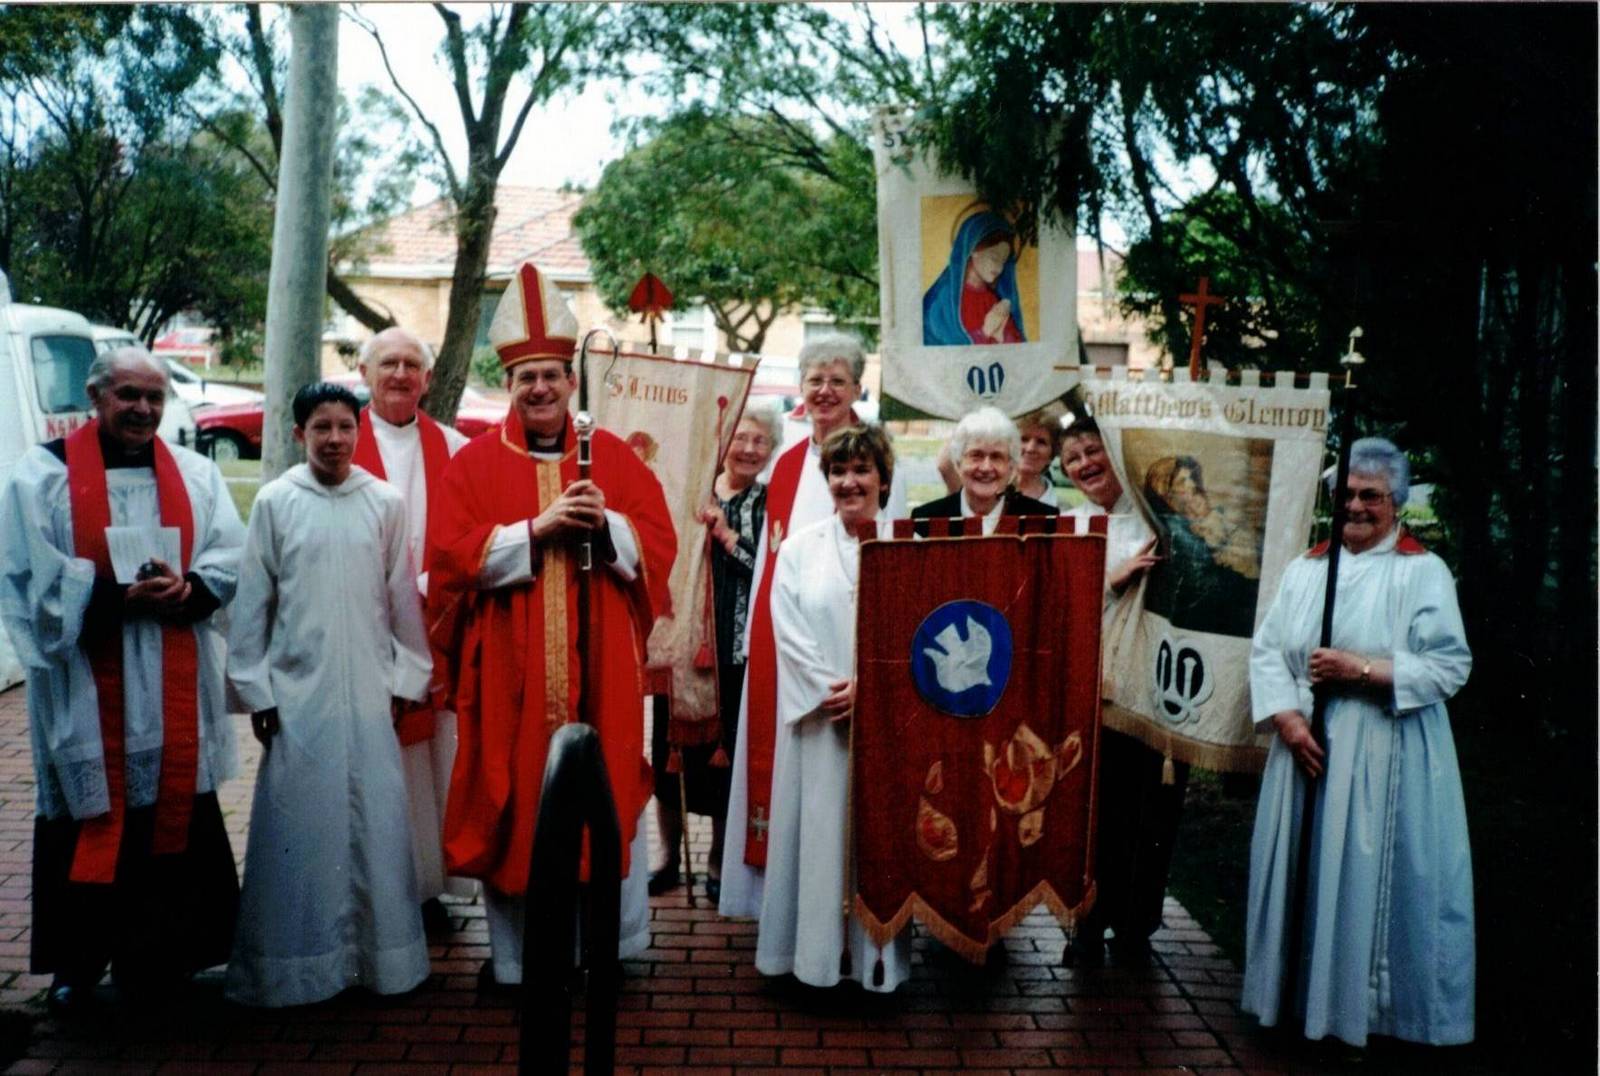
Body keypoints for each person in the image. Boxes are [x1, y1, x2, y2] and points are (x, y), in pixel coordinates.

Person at [426, 262, 676, 986]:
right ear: (508, 384)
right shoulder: (473, 465)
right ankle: (518, 963)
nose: (539, 388)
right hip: (510, 668)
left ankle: (607, 950)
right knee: (517, 800)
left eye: (552, 375)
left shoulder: (613, 457)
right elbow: (446, 555)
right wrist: (533, 531)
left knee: (599, 790)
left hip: (600, 664)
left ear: (572, 382)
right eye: (525, 376)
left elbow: (657, 544)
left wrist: (612, 527)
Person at [0, 348, 244, 1012]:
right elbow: (27, 579)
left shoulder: (194, 474)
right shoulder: (40, 477)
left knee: (173, 812)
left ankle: (165, 959)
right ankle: (76, 966)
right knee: (87, 814)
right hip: (87, 682)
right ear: (96, 395)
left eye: (154, 398)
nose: (142, 409)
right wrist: (111, 598)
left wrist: (188, 587)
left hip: (169, 676)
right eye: (128, 395)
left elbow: (229, 554)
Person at [1241, 438, 1474, 1047]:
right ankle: (1293, 1003)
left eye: (1370, 495)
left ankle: (1360, 1015)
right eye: (1344, 494)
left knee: (1364, 876)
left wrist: (1364, 672)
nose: (1356, 506)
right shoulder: (1306, 568)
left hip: (1383, 746)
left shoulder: (1422, 571)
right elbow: (1269, 651)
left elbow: (1449, 665)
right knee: (1305, 870)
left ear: (1395, 501)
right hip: (1304, 748)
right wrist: (1287, 719)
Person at [224, 382, 433, 1007]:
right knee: (300, 824)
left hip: (370, 690)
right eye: (322, 428)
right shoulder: (275, 502)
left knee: (377, 821)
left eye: (346, 426)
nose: (336, 439)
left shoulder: (385, 502)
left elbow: (402, 601)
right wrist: (257, 690)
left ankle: (382, 962)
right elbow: (254, 602)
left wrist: (406, 679)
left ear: (358, 432)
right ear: (299, 434)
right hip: (299, 692)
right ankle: (295, 968)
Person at [719, 334, 907, 919]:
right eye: (814, 380)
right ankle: (782, 901)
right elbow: (771, 562)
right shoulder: (787, 461)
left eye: (837, 380)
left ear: (857, 387)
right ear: (800, 390)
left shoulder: (883, 457)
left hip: (860, 653)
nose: (825, 391)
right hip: (789, 648)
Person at [755, 425, 911, 992]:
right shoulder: (799, 549)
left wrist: (876, 688)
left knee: (879, 841)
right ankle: (814, 962)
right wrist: (829, 689)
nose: (849, 482)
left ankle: (878, 967)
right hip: (822, 723)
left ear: (884, 479)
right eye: (838, 472)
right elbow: (787, 627)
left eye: (862, 470)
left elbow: (919, 634)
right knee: (817, 838)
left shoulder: (908, 545)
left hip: (890, 724)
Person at [352, 327, 472, 930]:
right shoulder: (341, 440)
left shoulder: (452, 445)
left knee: (431, 760)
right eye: (388, 363)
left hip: (434, 621)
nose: (400, 374)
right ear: (364, 372)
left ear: (428, 378)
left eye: (411, 365)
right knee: (377, 754)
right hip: (362, 624)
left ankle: (426, 888)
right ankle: (373, 884)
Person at [648, 403, 778, 901]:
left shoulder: (769, 503)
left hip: (736, 650)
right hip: (680, 648)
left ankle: (718, 859)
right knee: (667, 756)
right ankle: (666, 857)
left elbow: (770, 569)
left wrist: (726, 536)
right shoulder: (690, 491)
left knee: (726, 762)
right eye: (740, 438)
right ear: (722, 443)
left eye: (759, 441)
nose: (747, 449)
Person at [1056, 418, 1171, 967]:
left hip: (1152, 687)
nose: (1084, 464)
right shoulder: (1072, 524)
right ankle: (1085, 919)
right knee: (1093, 806)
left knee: (1148, 804)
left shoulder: (1155, 518)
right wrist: (1113, 578)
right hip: (1093, 689)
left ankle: (1135, 921)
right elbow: (1061, 606)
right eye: (1072, 458)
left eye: (1091, 450)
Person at [1141, 454, 1261, 638]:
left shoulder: (1188, 518)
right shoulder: (1175, 528)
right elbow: (1203, 579)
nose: (1191, 485)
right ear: (1165, 490)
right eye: (1182, 481)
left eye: (1191, 478)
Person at [911, 406, 1056, 534]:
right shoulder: (925, 520)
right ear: (958, 463)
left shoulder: (1043, 520)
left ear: (1011, 467)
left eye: (996, 457)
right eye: (976, 455)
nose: (986, 467)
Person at [922, 209, 1027, 346]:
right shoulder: (944, 299)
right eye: (994, 258)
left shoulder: (993, 301)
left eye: (1003, 261)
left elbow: (1018, 348)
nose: (1000, 268)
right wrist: (984, 332)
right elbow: (942, 348)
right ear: (973, 250)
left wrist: (1001, 335)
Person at [1013, 407, 1063, 507]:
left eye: (1041, 442)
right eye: (1024, 439)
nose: (1030, 449)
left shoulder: (1063, 511)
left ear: (1052, 454)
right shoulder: (985, 497)